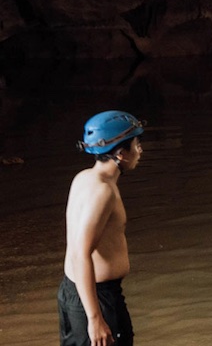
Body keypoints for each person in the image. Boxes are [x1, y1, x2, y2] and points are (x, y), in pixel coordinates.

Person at [60, 110, 145, 346]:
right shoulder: (103, 192)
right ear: (120, 154)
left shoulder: (84, 177)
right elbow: (80, 254)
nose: (140, 151)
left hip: (77, 292)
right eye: (136, 145)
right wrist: (95, 318)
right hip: (96, 297)